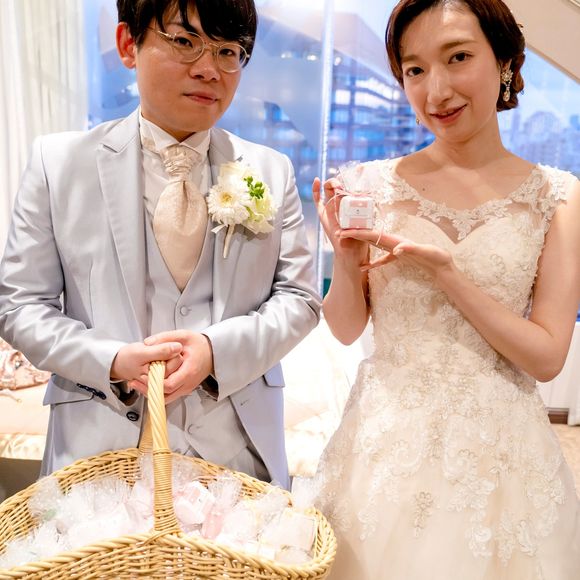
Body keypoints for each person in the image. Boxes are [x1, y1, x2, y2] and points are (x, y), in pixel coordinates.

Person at [0, 0, 320, 490]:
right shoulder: (58, 164)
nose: (209, 69)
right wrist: (109, 360)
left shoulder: (270, 171)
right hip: (98, 452)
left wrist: (215, 351)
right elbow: (21, 305)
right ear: (128, 44)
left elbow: (300, 299)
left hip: (238, 452)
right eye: (185, 42)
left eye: (228, 51)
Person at [312, 0, 580, 578]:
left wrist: (449, 276)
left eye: (457, 57)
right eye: (415, 69)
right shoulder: (368, 184)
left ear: (505, 61)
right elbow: (346, 328)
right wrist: (345, 258)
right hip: (385, 445)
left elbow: (547, 357)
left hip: (501, 453)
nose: (436, 90)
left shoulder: (557, 196)